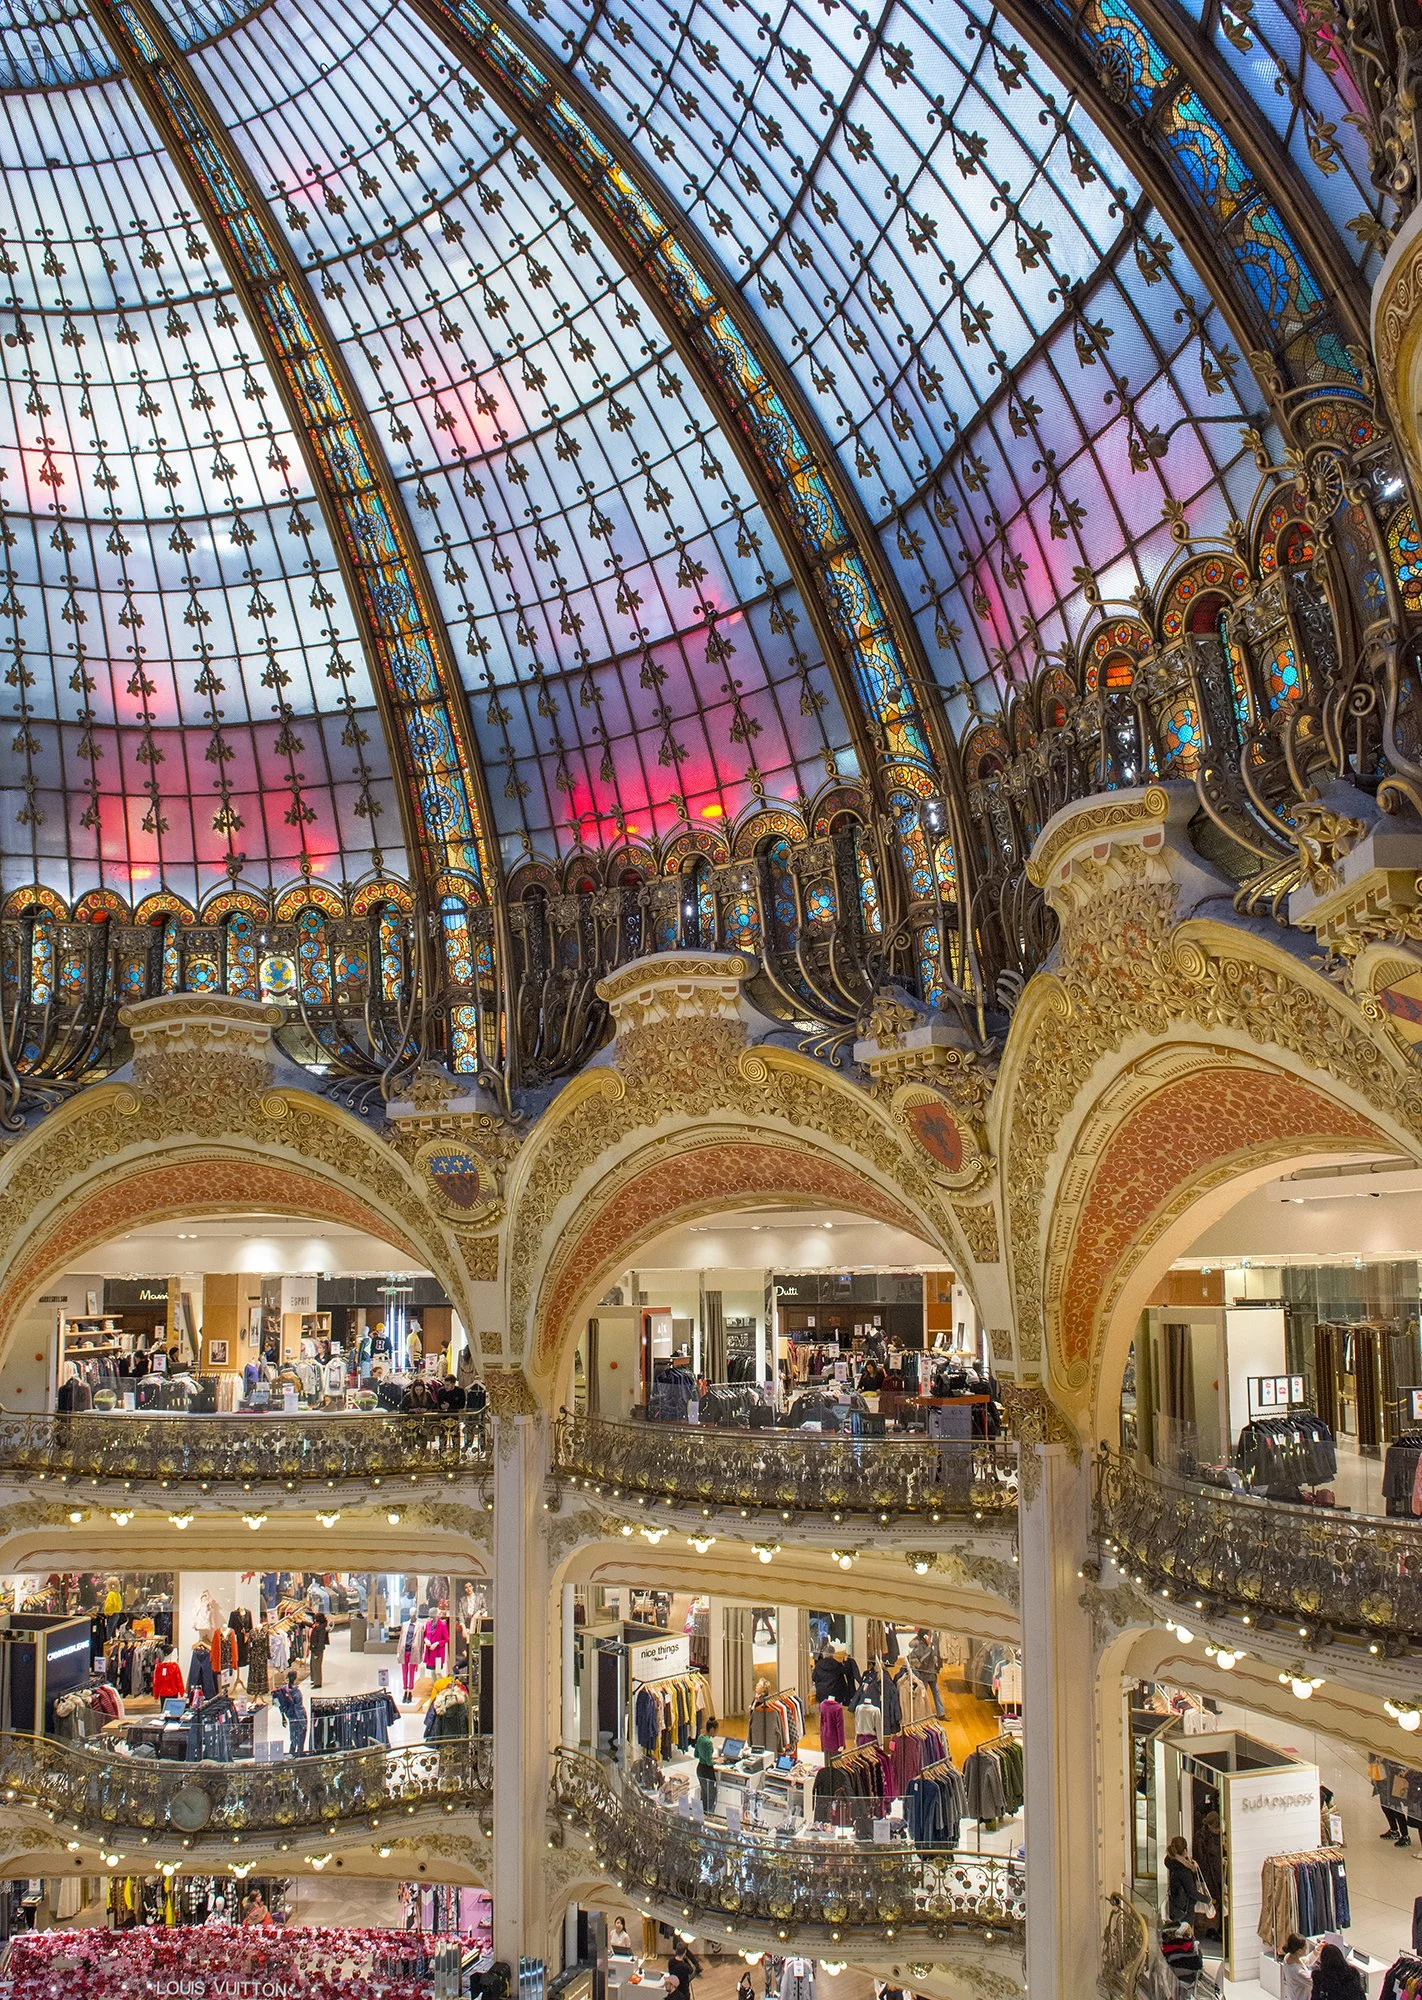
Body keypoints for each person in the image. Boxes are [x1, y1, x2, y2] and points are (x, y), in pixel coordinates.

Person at [1163, 1833, 1203, 1929]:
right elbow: (1191, 1892)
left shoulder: (1171, 1862)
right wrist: (1207, 1900)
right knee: (1185, 1933)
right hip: (1185, 1907)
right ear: (1185, 1850)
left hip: (1175, 1904)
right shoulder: (1184, 1870)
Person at [909, 1630, 945, 1718]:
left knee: (936, 1693)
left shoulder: (931, 1644)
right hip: (924, 1674)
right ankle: (921, 1714)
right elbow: (923, 1660)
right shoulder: (919, 1646)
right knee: (922, 1694)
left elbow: (934, 1657)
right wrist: (929, 1646)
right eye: (929, 1633)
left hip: (931, 1673)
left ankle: (941, 1713)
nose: (931, 1634)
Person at [273, 1669, 307, 1757]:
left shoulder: (282, 1689)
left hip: (290, 1716)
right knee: (300, 1736)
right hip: (298, 1716)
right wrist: (303, 1722)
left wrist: (283, 1717)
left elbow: (279, 1704)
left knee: (293, 1735)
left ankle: (292, 1752)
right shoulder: (296, 1692)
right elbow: (298, 1707)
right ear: (295, 1677)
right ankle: (299, 1753)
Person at [693, 1718, 717, 1815]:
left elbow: (696, 1755)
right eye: (716, 1730)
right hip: (707, 1771)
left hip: (699, 1769)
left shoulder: (700, 1738)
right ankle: (709, 1816)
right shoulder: (708, 1743)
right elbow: (709, 1762)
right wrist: (716, 1761)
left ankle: (701, 1816)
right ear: (712, 1729)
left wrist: (708, 1757)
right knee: (711, 1796)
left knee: (704, 1794)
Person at [1279, 1935, 1313, 2000]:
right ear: (1299, 1951)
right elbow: (1314, 1982)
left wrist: (1317, 1951)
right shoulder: (1297, 1971)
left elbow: (1307, 1960)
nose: (1306, 1949)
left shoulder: (1288, 1957)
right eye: (1305, 1947)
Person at [308, 1609, 329, 1689]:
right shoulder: (318, 1627)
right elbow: (311, 1625)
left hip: (317, 1650)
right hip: (314, 1649)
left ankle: (318, 1683)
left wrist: (316, 1652)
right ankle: (315, 1680)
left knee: (317, 1666)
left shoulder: (321, 1630)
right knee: (313, 1665)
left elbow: (320, 1642)